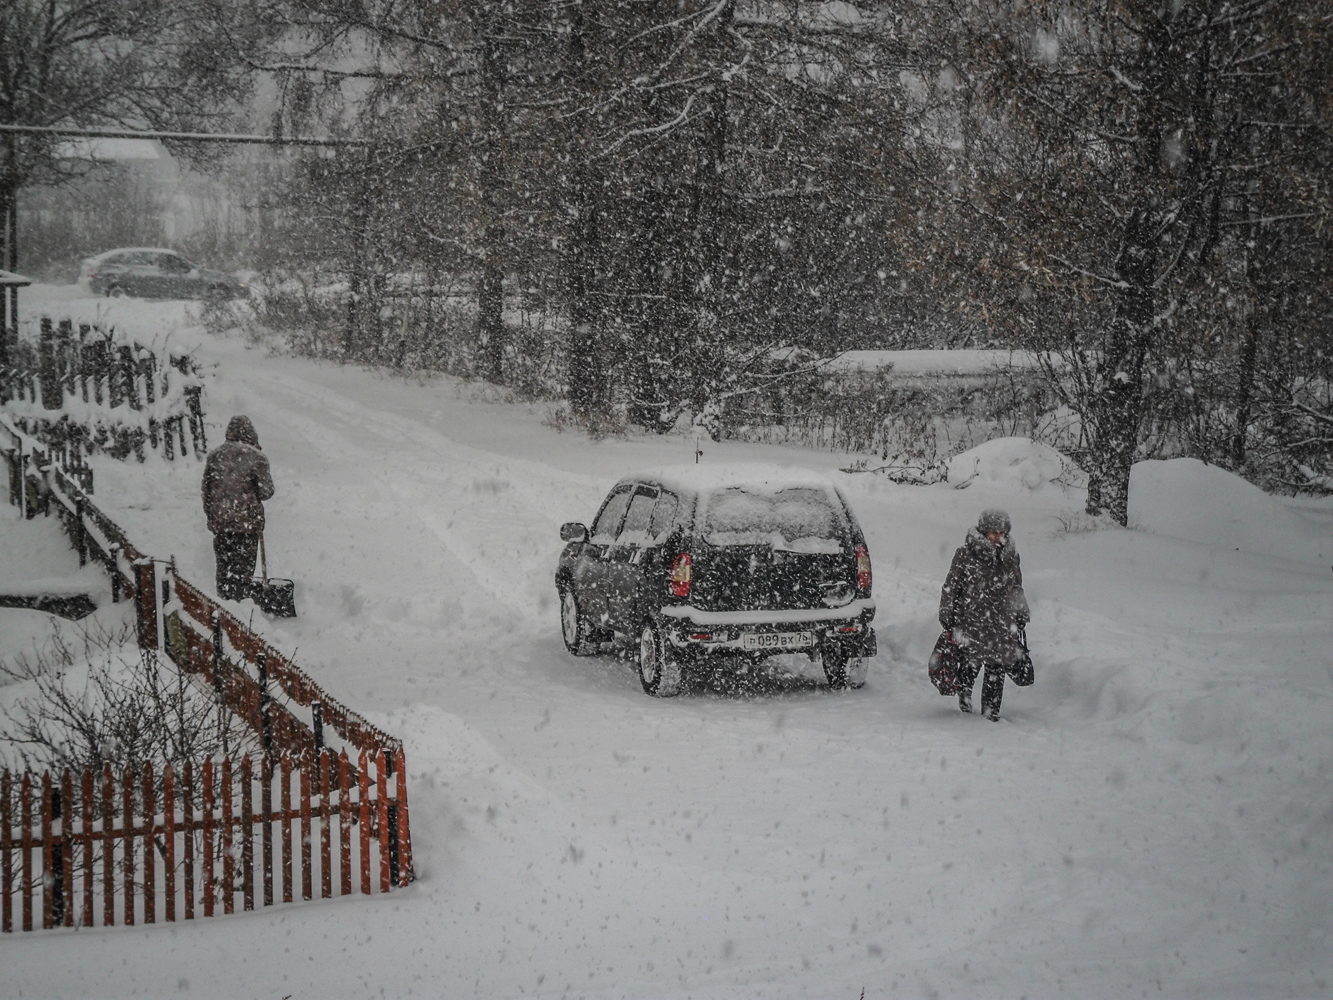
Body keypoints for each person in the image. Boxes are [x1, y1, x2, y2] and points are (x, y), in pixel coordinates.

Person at [939, 509, 1029, 720]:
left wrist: (1022, 612)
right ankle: (965, 697)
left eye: (1001, 532)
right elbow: (951, 586)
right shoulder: (965, 555)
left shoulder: (1011, 557)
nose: (998, 537)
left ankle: (991, 712)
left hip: (1001, 623)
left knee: (996, 669)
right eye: (993, 532)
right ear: (983, 532)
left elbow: (1017, 588)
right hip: (972, 621)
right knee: (971, 663)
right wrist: (947, 612)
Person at [202, 415, 275, 601]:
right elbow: (266, 492)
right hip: (246, 525)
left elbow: (206, 492)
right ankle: (240, 610)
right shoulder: (257, 458)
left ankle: (223, 607)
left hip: (221, 525)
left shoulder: (215, 456)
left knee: (224, 569)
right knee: (243, 572)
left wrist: (212, 517)